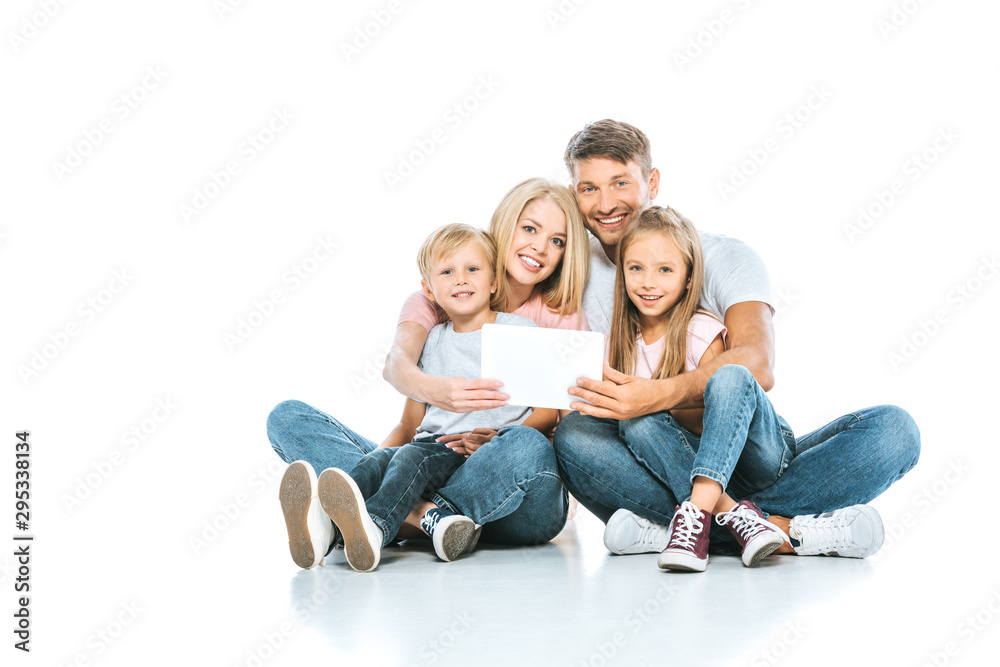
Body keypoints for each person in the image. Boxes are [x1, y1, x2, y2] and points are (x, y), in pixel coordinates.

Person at [552, 119, 920, 559]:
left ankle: (676, 528)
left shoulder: (724, 257)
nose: (605, 202)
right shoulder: (573, 265)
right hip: (667, 455)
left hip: (751, 450)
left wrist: (655, 395)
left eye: (619, 183)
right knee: (574, 437)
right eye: (588, 188)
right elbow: (492, 284)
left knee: (894, 431)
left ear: (651, 182)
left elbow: (756, 364)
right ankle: (779, 529)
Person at [270, 178, 589, 568]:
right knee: (289, 418)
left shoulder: (543, 326)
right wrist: (395, 446)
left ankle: (372, 517)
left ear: (488, 281)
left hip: (516, 492)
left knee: (524, 444)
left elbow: (557, 421)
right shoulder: (434, 320)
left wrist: (500, 441)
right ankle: (410, 518)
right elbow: (404, 401)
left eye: (558, 241)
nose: (540, 246)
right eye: (529, 228)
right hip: (433, 462)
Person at [603, 205, 790, 572]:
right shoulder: (617, 341)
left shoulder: (701, 331)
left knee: (729, 375)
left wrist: (655, 401)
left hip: (743, 457)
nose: (648, 282)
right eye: (635, 268)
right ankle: (740, 518)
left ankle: (695, 517)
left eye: (665, 270)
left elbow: (721, 414)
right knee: (631, 423)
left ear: (689, 279)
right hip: (683, 463)